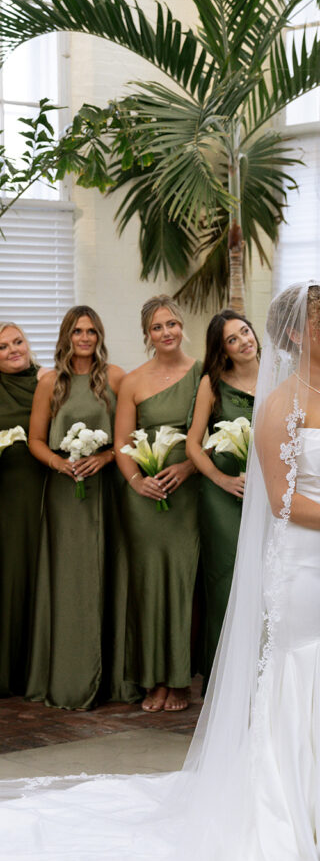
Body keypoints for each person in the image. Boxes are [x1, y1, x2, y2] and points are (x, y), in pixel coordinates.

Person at [0, 281, 320, 861]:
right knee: (309, 675)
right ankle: (307, 822)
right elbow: (285, 500)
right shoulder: (281, 405)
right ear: (295, 333)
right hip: (316, 566)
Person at [25, 306, 138, 710]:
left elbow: (128, 435)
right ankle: (67, 677)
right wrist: (60, 462)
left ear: (100, 336)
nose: (85, 338)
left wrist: (105, 458)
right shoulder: (49, 382)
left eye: (91, 331)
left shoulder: (116, 377)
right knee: (68, 579)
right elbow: (36, 439)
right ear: (66, 337)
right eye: (77, 331)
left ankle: (111, 680)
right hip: (63, 492)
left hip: (105, 489)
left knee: (106, 570)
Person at [114, 296, 202, 713]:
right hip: (144, 499)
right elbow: (120, 444)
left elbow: (208, 436)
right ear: (147, 335)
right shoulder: (132, 381)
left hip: (187, 496)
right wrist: (137, 481)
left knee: (183, 581)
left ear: (181, 326)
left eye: (171, 324)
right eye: (157, 327)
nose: (166, 332)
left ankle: (181, 679)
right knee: (148, 584)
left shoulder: (203, 374)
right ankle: (153, 680)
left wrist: (187, 468)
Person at [186, 309, 259, 687]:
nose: (244, 341)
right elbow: (193, 445)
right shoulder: (212, 385)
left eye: (245, 332)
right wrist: (221, 479)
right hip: (223, 497)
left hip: (268, 496)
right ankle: (223, 680)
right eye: (233, 339)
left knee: (266, 579)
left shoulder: (282, 376)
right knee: (226, 581)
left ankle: (263, 675)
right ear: (223, 350)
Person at [0, 323, 47, 696]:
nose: (13, 350)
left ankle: (42, 670)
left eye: (18, 342)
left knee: (42, 576)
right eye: (2, 347)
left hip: (48, 492)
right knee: (11, 578)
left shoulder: (48, 381)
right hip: (8, 500)